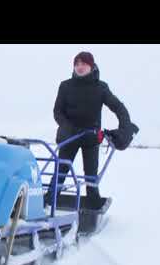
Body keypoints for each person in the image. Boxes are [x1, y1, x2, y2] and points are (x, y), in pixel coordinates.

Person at [45, 51, 132, 208]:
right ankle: (49, 201)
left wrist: (125, 126)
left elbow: (119, 107)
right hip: (69, 136)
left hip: (91, 136)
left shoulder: (100, 87)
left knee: (91, 174)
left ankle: (92, 205)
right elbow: (57, 111)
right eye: (77, 64)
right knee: (61, 170)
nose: (79, 67)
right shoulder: (65, 86)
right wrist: (67, 126)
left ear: (91, 66)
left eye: (83, 64)